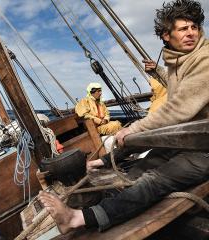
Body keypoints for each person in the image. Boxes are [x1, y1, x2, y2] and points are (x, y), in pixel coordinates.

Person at [39, 0, 209, 234]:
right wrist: (157, 71)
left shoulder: (205, 58)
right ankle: (106, 196)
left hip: (204, 148)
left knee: (154, 179)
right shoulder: (179, 61)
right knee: (137, 171)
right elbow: (180, 86)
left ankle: (78, 218)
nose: (191, 33)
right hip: (189, 140)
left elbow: (180, 108)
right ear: (166, 36)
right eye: (183, 28)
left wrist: (136, 127)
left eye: (194, 27)